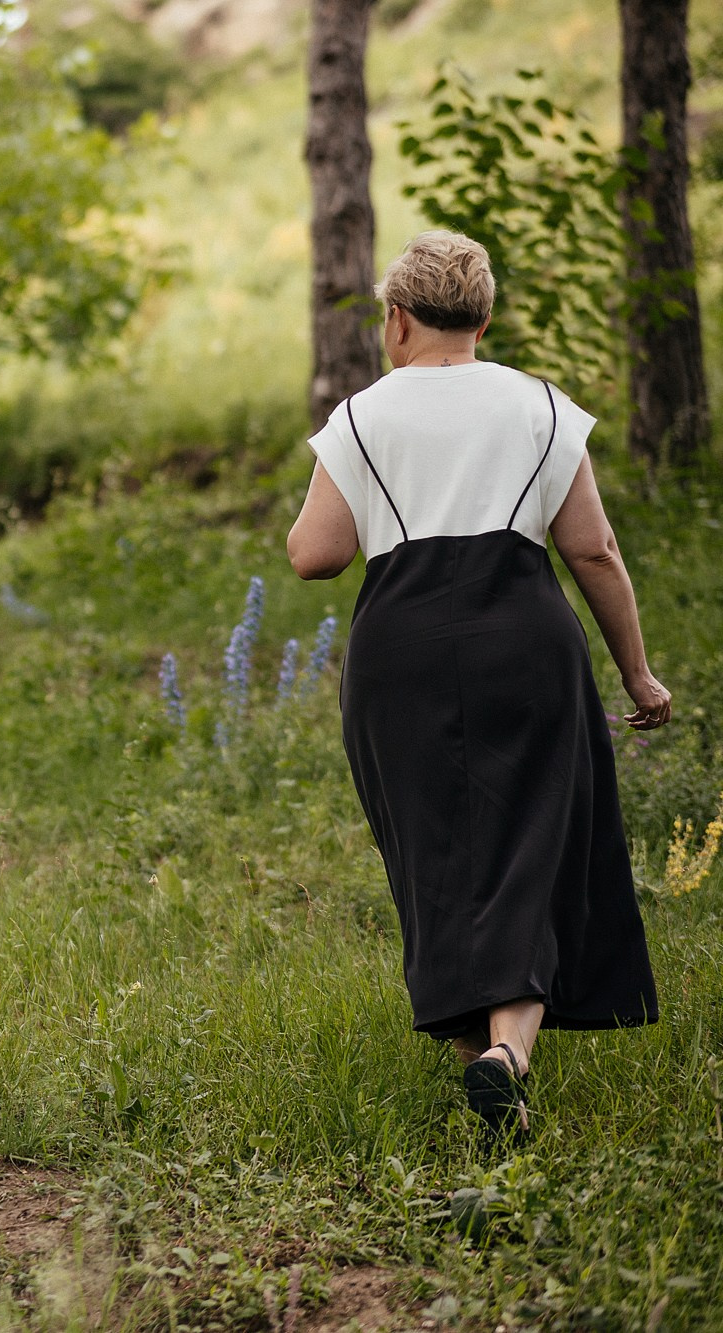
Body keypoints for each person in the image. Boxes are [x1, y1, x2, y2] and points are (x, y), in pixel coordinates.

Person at [286, 231, 669, 1146]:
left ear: (398, 321)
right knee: (534, 844)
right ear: (485, 320)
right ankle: (508, 1060)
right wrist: (639, 674)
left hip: (402, 655)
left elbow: (314, 556)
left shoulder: (362, 414)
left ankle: (486, 1070)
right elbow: (594, 550)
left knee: (434, 857)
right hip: (525, 644)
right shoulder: (540, 406)